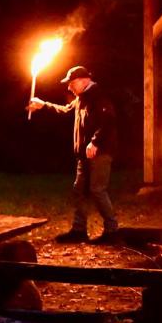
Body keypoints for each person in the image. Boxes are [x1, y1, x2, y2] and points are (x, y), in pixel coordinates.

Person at [29, 65, 120, 244]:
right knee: (79, 191)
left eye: (72, 83)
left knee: (97, 190)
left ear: (84, 80)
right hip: (83, 155)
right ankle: (79, 231)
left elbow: (108, 120)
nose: (69, 87)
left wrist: (95, 142)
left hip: (100, 152)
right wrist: (43, 105)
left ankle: (112, 231)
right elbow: (66, 110)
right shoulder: (81, 99)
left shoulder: (98, 95)